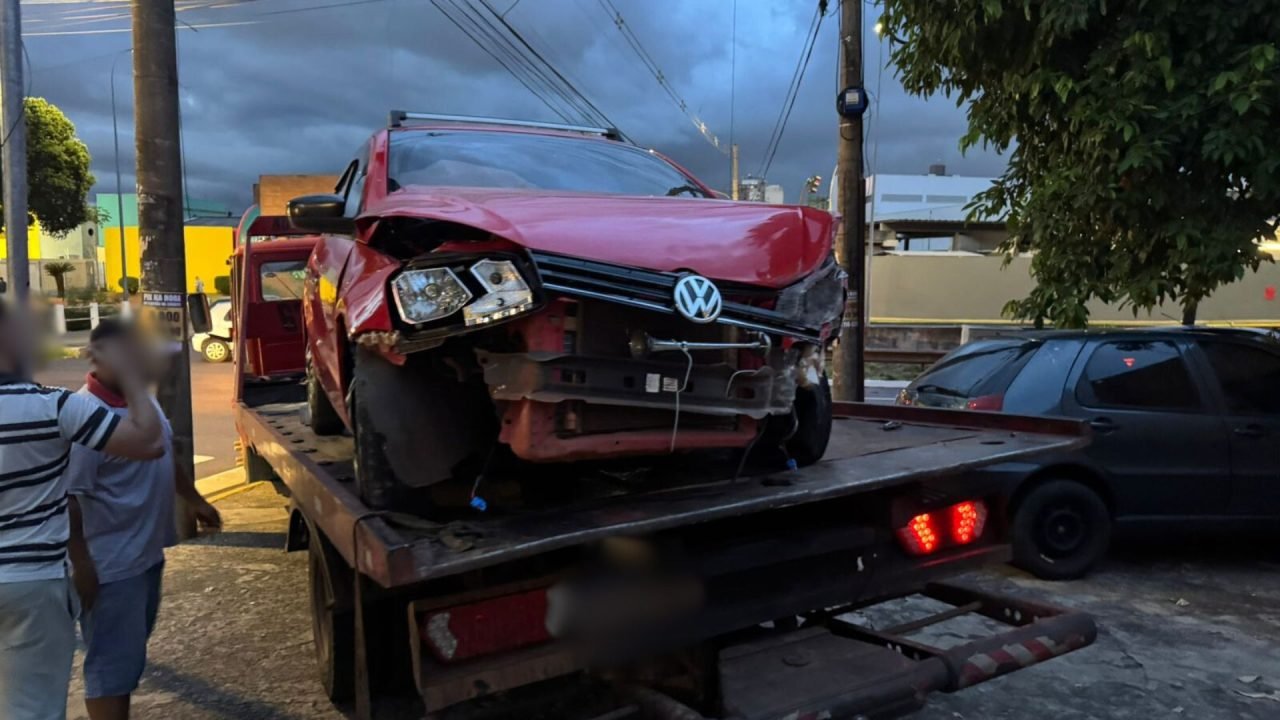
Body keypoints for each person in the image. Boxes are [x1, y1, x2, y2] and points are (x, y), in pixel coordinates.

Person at [0, 299, 164, 720]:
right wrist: (130, 374)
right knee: (31, 706)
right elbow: (149, 442)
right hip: (31, 582)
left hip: (35, 582)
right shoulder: (52, 406)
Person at [66, 319, 221, 720]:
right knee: (111, 667)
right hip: (111, 566)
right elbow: (68, 496)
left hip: (146, 556)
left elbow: (163, 450)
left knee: (127, 657)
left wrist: (194, 498)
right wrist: (82, 563)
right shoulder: (85, 416)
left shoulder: (139, 400)